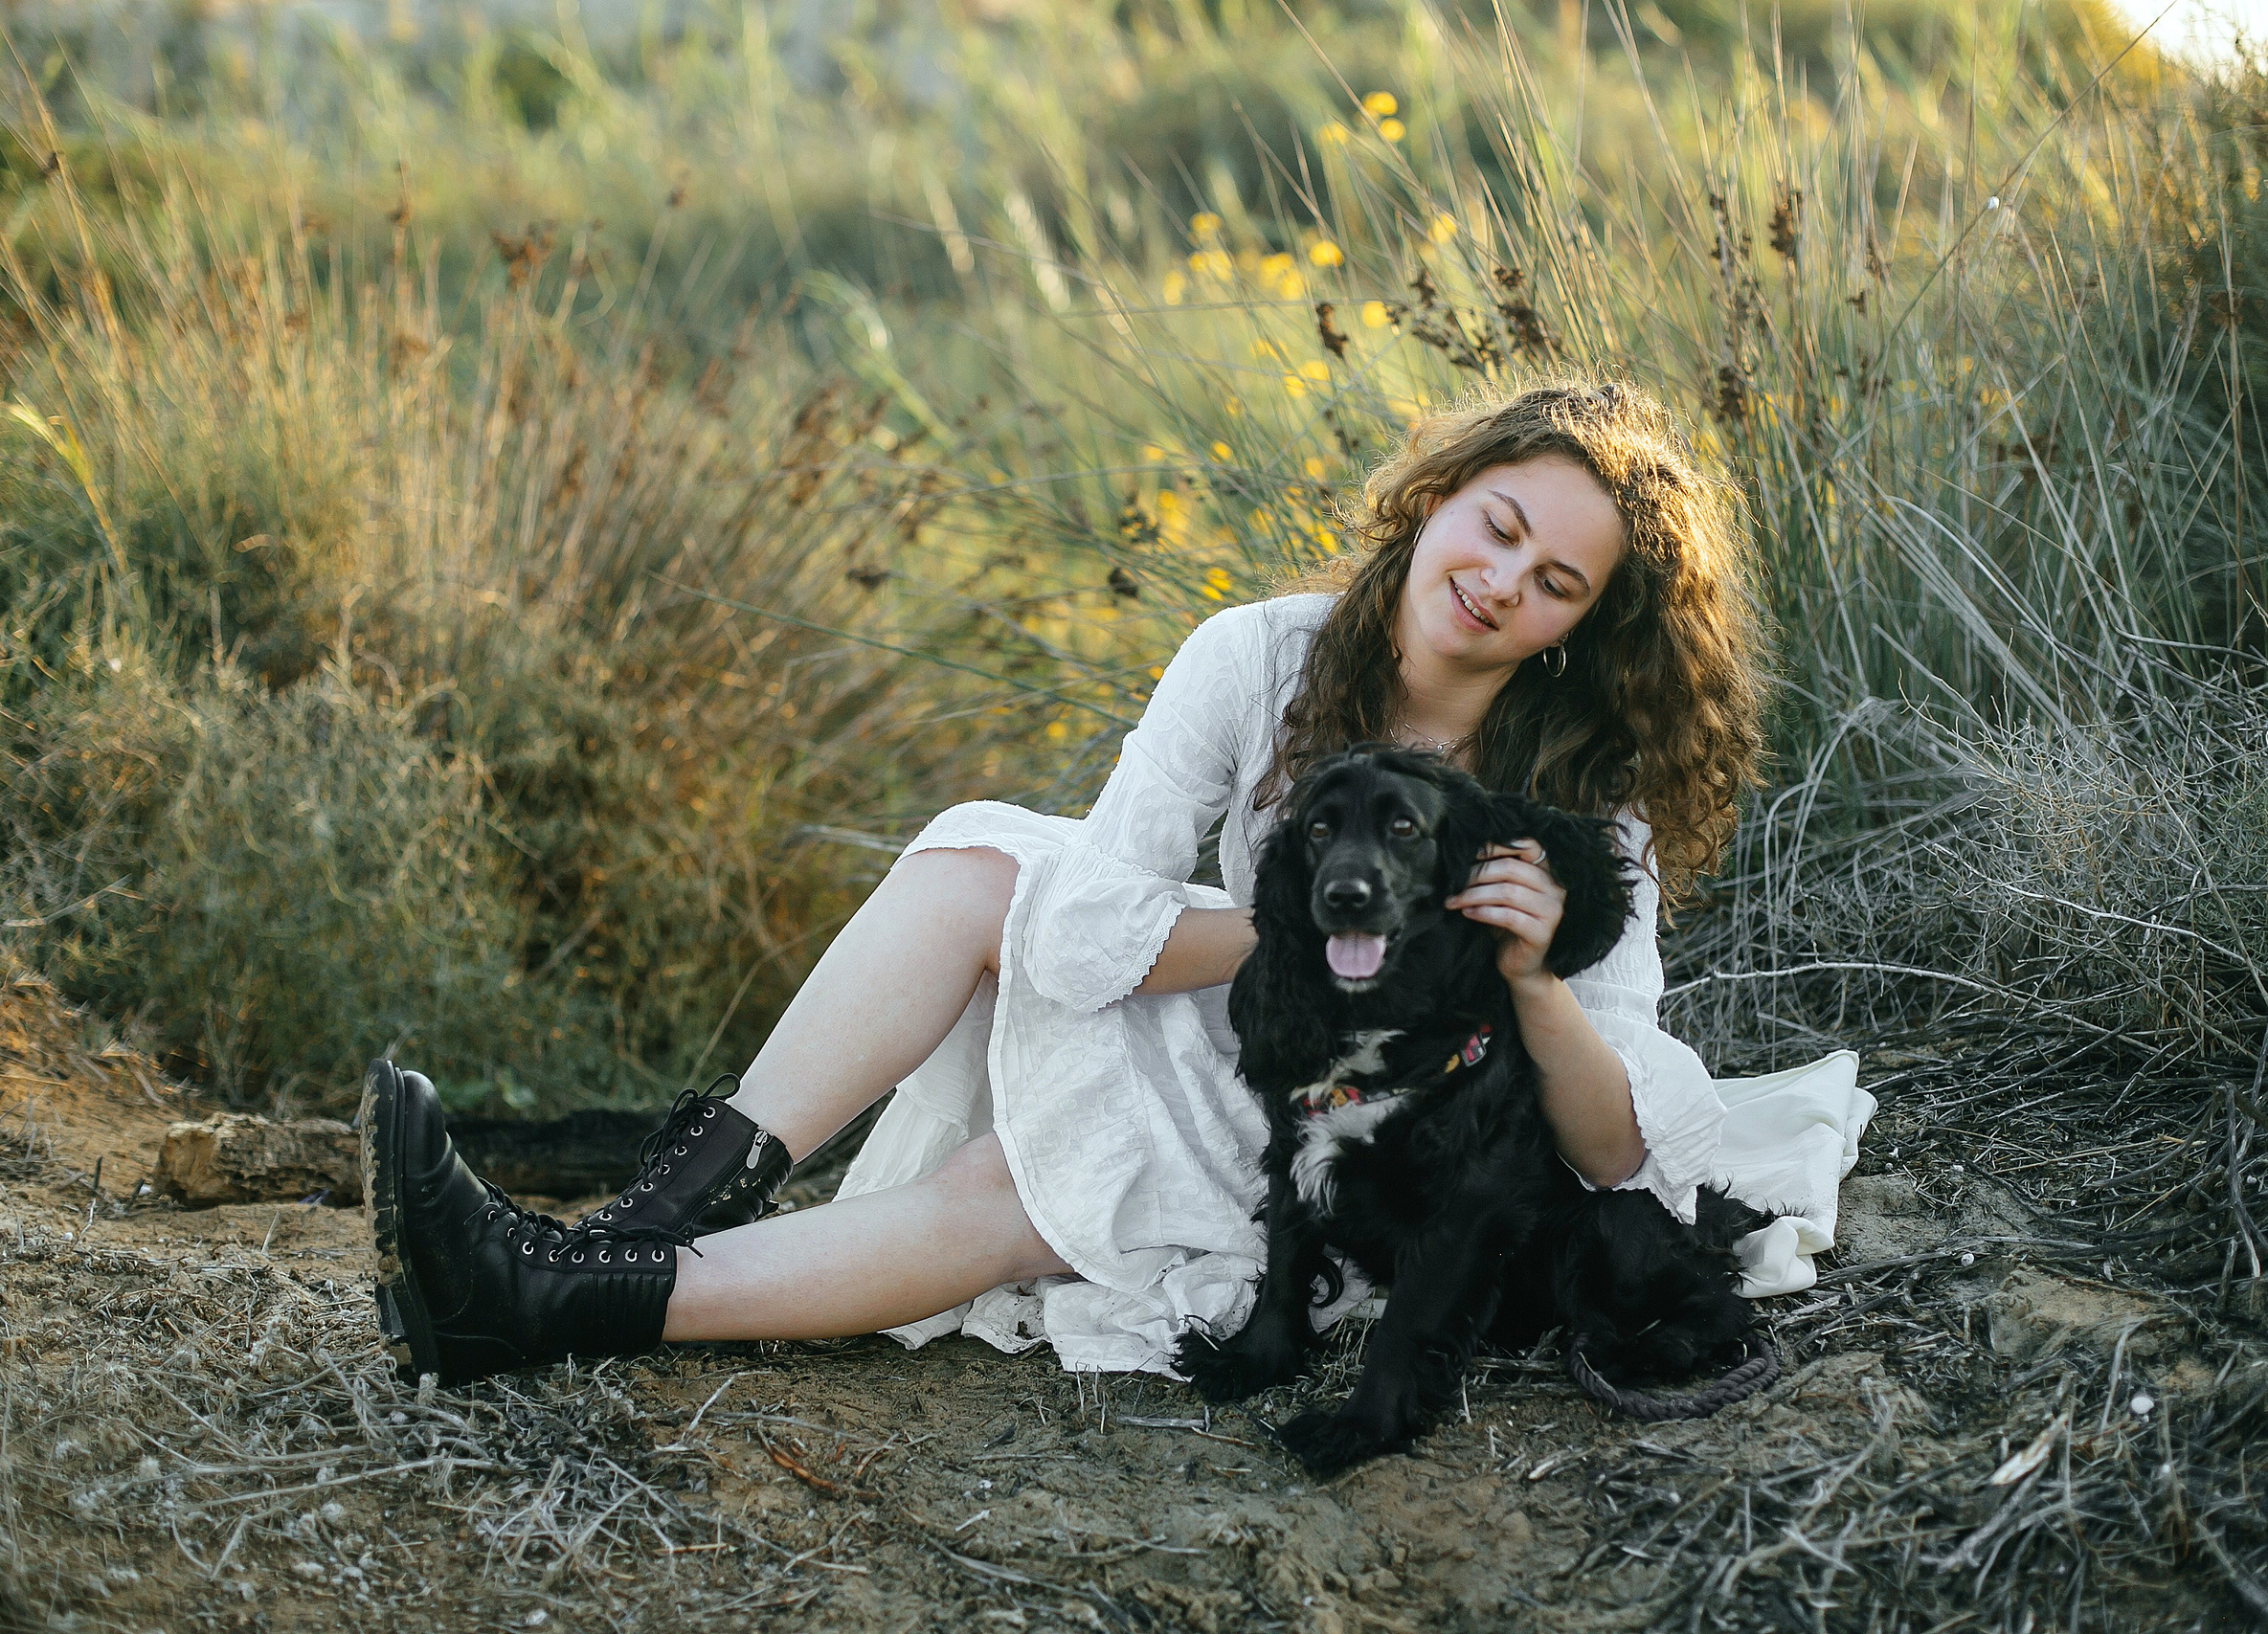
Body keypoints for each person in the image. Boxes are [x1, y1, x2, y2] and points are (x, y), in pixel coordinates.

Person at [361, 378, 1772, 1387]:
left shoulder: (1585, 801)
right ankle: (646, 1225)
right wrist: (1321, 929)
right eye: (1500, 523)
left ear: (1581, 633)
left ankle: (552, 1299)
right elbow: (1090, 928)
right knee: (981, 857)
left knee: (1037, 1177)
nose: (1503, 579)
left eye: (1560, 582)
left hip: (1368, 1138)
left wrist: (1518, 974)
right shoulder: (1261, 656)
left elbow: (1609, 1149)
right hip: (1233, 1000)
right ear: (1440, 497)